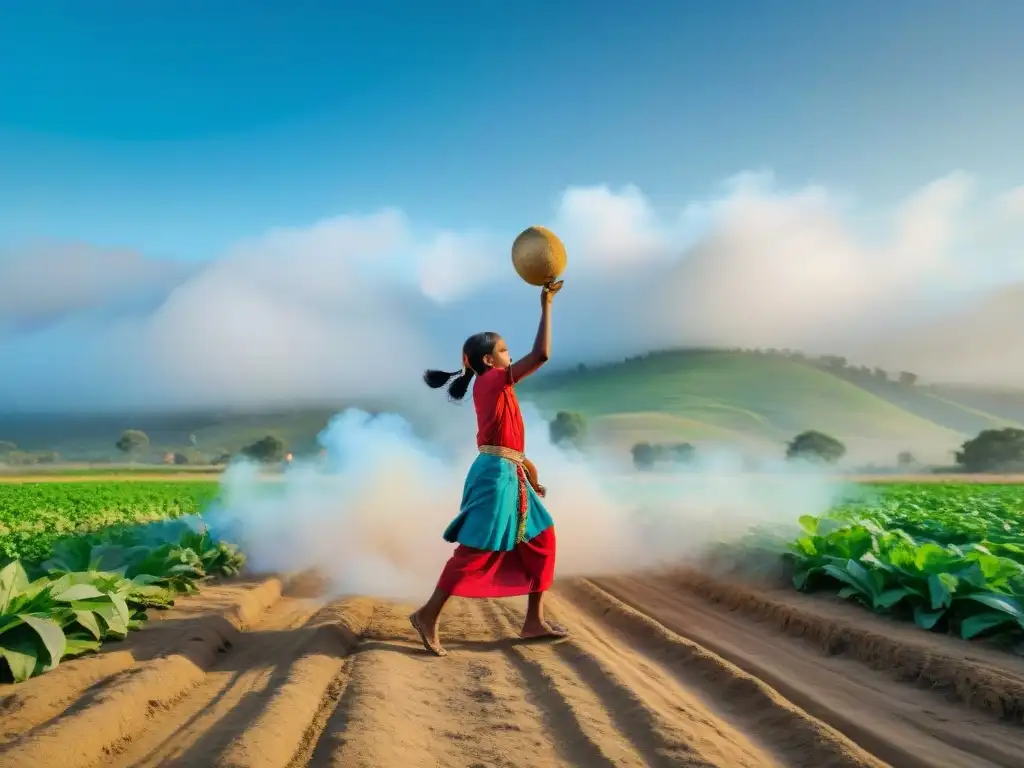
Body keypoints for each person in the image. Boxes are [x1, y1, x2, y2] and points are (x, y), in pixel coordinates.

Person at [409, 280, 568, 657]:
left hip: (509, 473)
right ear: (488, 361)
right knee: (475, 551)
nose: (510, 356)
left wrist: (532, 475)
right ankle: (427, 616)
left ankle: (533, 621)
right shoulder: (492, 382)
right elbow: (542, 354)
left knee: (543, 541)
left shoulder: (501, 388)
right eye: (505, 350)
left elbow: (509, 446)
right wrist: (546, 305)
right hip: (495, 478)